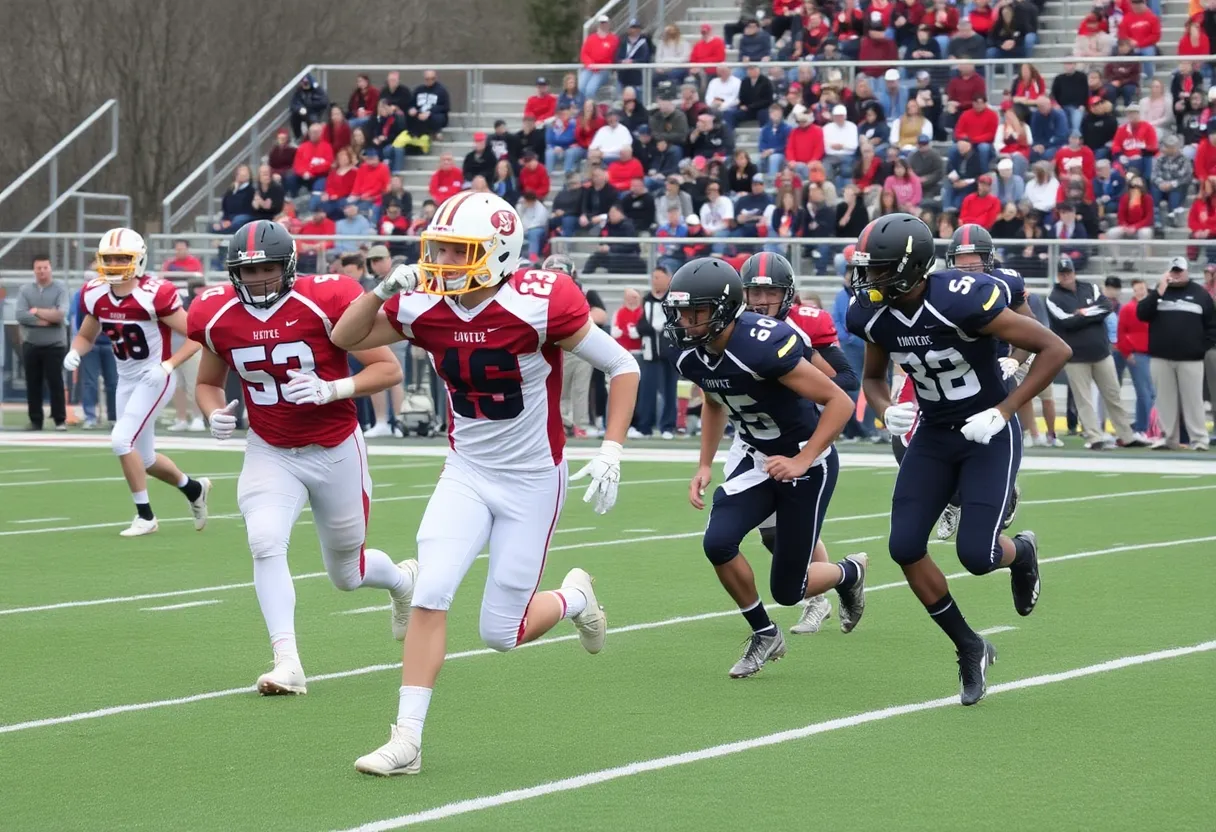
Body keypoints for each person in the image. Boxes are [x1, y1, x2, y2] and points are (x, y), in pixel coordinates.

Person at [328, 191, 641, 776]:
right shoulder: (423, 304)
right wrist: (381, 290)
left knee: (501, 632)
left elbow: (623, 366)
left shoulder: (541, 302)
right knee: (431, 591)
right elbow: (346, 340)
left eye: (457, 249)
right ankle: (408, 741)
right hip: (466, 472)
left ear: (498, 253)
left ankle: (574, 597)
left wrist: (612, 450)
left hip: (530, 480)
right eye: (438, 247)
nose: (441, 260)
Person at [846, 213, 1072, 705]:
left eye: (880, 268)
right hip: (932, 434)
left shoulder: (962, 297)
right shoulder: (873, 314)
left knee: (977, 556)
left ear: (910, 267)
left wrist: (1003, 409)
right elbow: (873, 379)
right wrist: (887, 410)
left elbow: (1054, 348)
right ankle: (970, 646)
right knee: (904, 546)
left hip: (988, 432)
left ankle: (1023, 553)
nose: (869, 279)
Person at [186, 220, 415, 696]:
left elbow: (387, 369)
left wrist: (334, 387)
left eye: (268, 268)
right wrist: (213, 413)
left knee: (347, 576)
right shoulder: (216, 313)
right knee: (264, 541)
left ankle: (401, 579)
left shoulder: (326, 299)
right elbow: (208, 383)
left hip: (334, 446)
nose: (258, 281)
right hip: (271, 449)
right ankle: (286, 661)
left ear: (289, 265)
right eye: (248, 272)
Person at [668, 257, 864, 678]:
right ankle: (764, 632)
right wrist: (705, 462)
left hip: (806, 461)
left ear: (722, 309)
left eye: (695, 311)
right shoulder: (691, 354)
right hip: (757, 458)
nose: (685, 321)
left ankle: (849, 573)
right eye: (681, 312)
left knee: (789, 589)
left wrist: (802, 458)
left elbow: (841, 401)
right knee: (718, 543)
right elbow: (715, 400)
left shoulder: (762, 343)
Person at [738, 252, 861, 635]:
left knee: (789, 530)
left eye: (769, 291)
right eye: (753, 291)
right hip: (756, 436)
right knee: (771, 532)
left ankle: (821, 594)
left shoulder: (806, 324)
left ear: (787, 294)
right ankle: (832, 585)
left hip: (799, 436)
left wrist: (801, 383)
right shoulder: (734, 324)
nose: (760, 300)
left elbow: (845, 379)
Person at [62, 230, 210, 536]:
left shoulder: (155, 293)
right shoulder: (94, 293)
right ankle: (193, 488)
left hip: (154, 376)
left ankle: (146, 516)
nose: (115, 265)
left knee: (120, 440)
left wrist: (167, 365)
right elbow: (87, 335)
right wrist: (75, 351)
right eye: (109, 259)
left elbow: (197, 336)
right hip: (126, 378)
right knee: (144, 458)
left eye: (122, 258)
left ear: (138, 259)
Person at [914, 224, 1032, 541]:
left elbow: (1031, 328)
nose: (967, 265)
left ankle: (1003, 488)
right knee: (929, 443)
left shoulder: (1006, 282)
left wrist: (1015, 360)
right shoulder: (939, 286)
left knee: (989, 435)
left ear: (988, 258)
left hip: (994, 369)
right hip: (952, 370)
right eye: (961, 258)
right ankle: (954, 499)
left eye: (974, 258)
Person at [1047, 256, 1151, 450]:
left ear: (1073, 272)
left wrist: (1083, 313)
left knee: (1114, 395)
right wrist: (1089, 314)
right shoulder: (1053, 297)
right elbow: (1065, 321)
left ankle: (1126, 436)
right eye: (1062, 274)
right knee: (1084, 399)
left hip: (1101, 353)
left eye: (1068, 272)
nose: (1066, 276)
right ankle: (1095, 437)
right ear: (1058, 276)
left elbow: (1106, 307)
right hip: (1075, 356)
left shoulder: (1090, 287)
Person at [1137, 257, 1216, 450]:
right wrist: (1159, 291)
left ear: (1187, 271)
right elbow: (1142, 314)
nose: (1176, 274)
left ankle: (1199, 439)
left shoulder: (1200, 294)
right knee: (1165, 401)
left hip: (1191, 359)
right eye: (1173, 271)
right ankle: (1167, 437)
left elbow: (1212, 326)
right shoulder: (1158, 293)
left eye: (1179, 270)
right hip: (1161, 358)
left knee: (1193, 401)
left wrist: (1200, 348)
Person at [16, 254, 70, 431]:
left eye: (45, 267)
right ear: (34, 270)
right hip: (31, 344)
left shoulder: (60, 289)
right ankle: (35, 420)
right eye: (39, 268)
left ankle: (59, 420)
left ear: (50, 268)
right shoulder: (26, 290)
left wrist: (36, 310)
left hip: (55, 345)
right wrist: (44, 319)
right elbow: (20, 315)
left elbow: (60, 315)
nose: (42, 271)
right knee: (33, 384)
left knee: (56, 382)